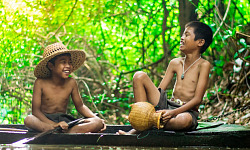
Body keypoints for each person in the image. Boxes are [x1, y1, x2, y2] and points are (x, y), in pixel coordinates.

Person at [118, 21, 213, 134]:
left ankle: (149, 124)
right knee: (139, 76)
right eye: (182, 34)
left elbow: (197, 99)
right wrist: (151, 109)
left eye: (187, 35)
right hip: (167, 105)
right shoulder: (175, 63)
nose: (182, 38)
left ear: (200, 42)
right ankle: (141, 123)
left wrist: (173, 113)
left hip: (186, 111)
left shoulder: (203, 65)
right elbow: (160, 91)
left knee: (184, 121)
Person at [24, 43, 105, 133]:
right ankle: (52, 130)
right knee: (29, 119)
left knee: (97, 122)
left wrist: (96, 118)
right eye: (63, 62)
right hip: (45, 121)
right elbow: (36, 111)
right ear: (51, 66)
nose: (68, 66)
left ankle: (67, 132)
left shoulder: (71, 82)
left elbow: (80, 106)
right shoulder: (40, 82)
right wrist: (53, 125)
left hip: (65, 122)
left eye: (70, 62)